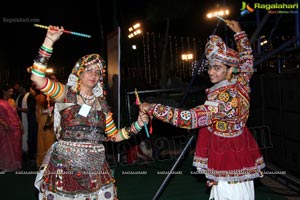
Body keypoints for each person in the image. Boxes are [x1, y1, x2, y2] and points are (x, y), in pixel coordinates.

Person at [141, 20, 265, 200]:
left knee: (228, 194)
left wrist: (152, 108)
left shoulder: (223, 99)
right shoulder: (241, 83)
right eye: (210, 67)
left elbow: (189, 119)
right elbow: (247, 59)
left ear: (230, 70)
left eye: (217, 68)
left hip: (227, 156)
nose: (211, 72)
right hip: (239, 148)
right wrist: (239, 33)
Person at [31, 25, 149, 200]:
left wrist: (138, 124)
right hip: (65, 166)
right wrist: (49, 40)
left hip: (95, 167)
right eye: (88, 70)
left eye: (97, 72)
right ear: (79, 72)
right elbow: (37, 78)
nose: (93, 75)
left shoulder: (102, 106)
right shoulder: (65, 94)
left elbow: (114, 136)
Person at [0, 84, 23, 171]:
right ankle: (6, 165)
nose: (11, 93)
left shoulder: (12, 101)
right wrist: (4, 124)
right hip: (4, 128)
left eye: (12, 92)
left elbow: (16, 114)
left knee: (16, 146)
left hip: (15, 127)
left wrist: (20, 124)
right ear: (4, 92)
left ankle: (16, 164)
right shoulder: (0, 102)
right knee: (6, 147)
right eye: (9, 91)